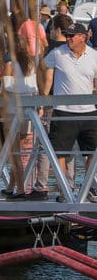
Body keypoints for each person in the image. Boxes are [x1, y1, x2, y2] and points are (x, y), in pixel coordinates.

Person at [42, 22, 97, 199]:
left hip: (88, 111)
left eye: (72, 36)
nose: (68, 39)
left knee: (94, 151)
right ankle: (65, 189)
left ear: (83, 37)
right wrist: (43, 96)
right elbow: (43, 69)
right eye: (67, 35)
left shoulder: (94, 56)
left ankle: (88, 185)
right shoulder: (57, 53)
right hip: (63, 111)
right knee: (59, 152)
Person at [0, 34, 40, 199]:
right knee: (19, 150)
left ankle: (21, 189)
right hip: (27, 111)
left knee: (14, 153)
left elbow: (6, 87)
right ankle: (11, 186)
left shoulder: (9, 64)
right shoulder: (30, 63)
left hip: (13, 112)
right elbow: (34, 87)